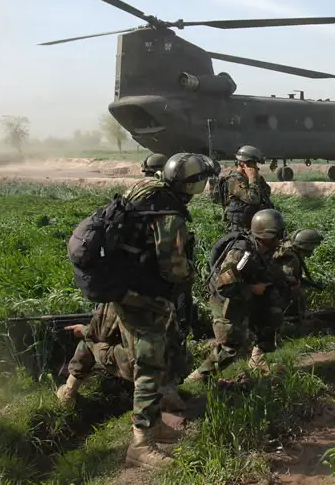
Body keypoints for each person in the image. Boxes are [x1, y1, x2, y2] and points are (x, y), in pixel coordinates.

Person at [115, 152, 214, 468]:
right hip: (143, 298)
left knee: (153, 358)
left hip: (128, 289)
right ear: (190, 185)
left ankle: (155, 423)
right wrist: (191, 274)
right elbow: (173, 270)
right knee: (149, 365)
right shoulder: (171, 215)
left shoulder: (146, 193)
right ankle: (141, 444)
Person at [186, 209, 286, 382]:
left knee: (271, 314)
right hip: (226, 299)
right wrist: (253, 289)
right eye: (277, 234)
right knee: (229, 347)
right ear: (267, 234)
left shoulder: (263, 248)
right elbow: (224, 286)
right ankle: (197, 378)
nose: (280, 238)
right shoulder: (242, 253)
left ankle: (257, 360)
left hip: (243, 296)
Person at [55, 303, 134, 406]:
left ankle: (68, 394)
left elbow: (100, 333)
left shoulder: (119, 292)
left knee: (89, 342)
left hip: (141, 365)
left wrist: (83, 329)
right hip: (160, 363)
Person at [271, 228, 325, 322]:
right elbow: (286, 281)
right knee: (296, 288)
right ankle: (293, 316)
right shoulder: (292, 258)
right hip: (274, 295)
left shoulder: (289, 249)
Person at [219, 145, 274, 232]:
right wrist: (252, 180)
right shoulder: (234, 180)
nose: (256, 167)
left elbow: (267, 192)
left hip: (254, 225)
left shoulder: (250, 177)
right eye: (254, 163)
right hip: (240, 229)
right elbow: (253, 199)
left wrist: (258, 179)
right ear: (244, 164)